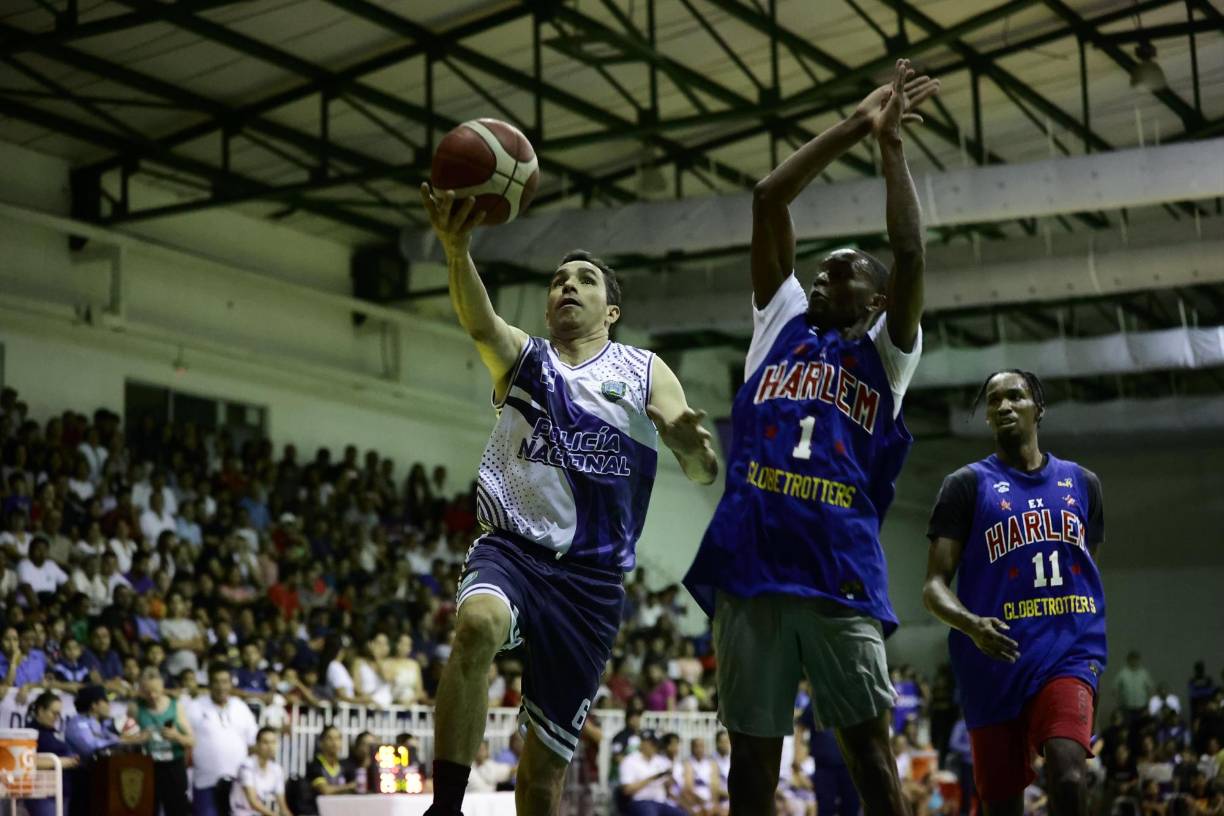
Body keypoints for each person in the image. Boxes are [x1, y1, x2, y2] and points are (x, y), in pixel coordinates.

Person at [418, 165, 719, 816]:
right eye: (558, 280)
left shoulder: (642, 370)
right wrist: (456, 249)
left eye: (583, 280)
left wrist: (692, 450)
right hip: (513, 551)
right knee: (476, 625)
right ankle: (446, 807)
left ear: (611, 309)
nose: (566, 286)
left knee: (542, 779)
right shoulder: (528, 361)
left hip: (590, 583)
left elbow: (698, 470)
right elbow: (480, 322)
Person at [683, 59, 939, 816]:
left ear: (879, 297)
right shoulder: (778, 324)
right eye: (820, 270)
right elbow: (768, 197)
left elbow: (914, 253)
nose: (823, 277)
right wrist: (856, 126)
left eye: (843, 273)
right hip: (753, 563)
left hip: (839, 574)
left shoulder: (888, 357)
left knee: (869, 755)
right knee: (754, 767)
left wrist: (892, 151)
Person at [923, 369, 1107, 816]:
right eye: (994, 401)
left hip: (1068, 654)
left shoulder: (1083, 483)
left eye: (1016, 397)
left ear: (1037, 409)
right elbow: (933, 586)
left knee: (1067, 774)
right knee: (1002, 805)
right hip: (994, 660)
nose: (1004, 406)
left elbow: (1086, 565)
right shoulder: (965, 486)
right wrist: (971, 625)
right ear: (988, 417)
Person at [190, 663, 260, 816]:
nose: (221, 686)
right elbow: (186, 740)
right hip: (205, 781)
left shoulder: (240, 707)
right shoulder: (195, 707)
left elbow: (254, 743)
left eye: (225, 681)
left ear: (231, 683)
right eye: (216, 681)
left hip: (238, 783)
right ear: (209, 683)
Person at [134, 664, 194, 816]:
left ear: (162, 687)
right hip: (148, 766)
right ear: (141, 690)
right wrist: (139, 739)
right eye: (147, 692)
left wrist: (177, 736)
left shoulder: (175, 706)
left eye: (155, 691)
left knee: (177, 809)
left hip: (173, 765)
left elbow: (192, 741)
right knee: (148, 808)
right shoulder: (135, 708)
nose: (152, 696)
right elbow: (123, 739)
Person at [24, 691, 81, 816]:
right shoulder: (29, 734)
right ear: (40, 710)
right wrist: (61, 762)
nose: (56, 717)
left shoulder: (54, 732)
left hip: (62, 791)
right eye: (53, 713)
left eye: (58, 714)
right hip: (43, 794)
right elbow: (25, 761)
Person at [619, 731, 686, 816]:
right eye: (652, 744)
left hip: (661, 802)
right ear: (643, 743)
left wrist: (669, 777)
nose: (655, 747)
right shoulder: (630, 761)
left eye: (656, 744)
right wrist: (653, 778)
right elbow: (627, 790)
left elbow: (670, 789)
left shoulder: (661, 761)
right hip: (640, 801)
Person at [232, 726, 293, 816]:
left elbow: (283, 806)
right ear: (257, 744)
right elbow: (253, 802)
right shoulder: (246, 766)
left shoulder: (277, 770)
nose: (270, 747)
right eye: (265, 742)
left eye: (273, 742)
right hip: (242, 812)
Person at [306, 725, 357, 809]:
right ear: (321, 743)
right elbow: (325, 790)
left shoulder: (345, 765)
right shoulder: (315, 764)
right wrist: (348, 786)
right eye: (330, 738)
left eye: (338, 738)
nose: (334, 742)